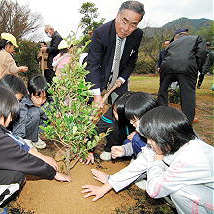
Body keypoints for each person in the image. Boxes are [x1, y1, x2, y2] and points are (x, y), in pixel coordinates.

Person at [0, 86, 70, 214]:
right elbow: (23, 159)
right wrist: (53, 172)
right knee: (16, 177)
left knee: (2, 168)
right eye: (11, 114)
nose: (11, 119)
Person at [82, 106, 213, 214]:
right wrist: (108, 185)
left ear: (166, 137)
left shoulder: (188, 158)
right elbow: (140, 164)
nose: (148, 143)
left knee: (181, 192)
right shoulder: (177, 142)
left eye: (150, 139)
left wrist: (157, 160)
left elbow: (154, 190)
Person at [85, 1, 144, 106]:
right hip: (98, 76)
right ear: (117, 16)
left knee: (120, 109)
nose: (126, 29)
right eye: (124, 21)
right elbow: (93, 64)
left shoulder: (137, 35)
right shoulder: (101, 33)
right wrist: (96, 95)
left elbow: (132, 61)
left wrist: (122, 79)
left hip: (119, 79)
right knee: (89, 109)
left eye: (133, 25)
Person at [157, 28, 207, 123]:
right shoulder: (197, 38)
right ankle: (187, 121)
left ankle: (161, 116)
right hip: (187, 67)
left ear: (176, 38)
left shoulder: (172, 44)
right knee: (188, 94)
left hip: (167, 67)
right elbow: (202, 52)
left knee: (162, 91)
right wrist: (197, 65)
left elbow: (165, 54)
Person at [11, 75, 50, 149]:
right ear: (29, 92)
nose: (41, 101)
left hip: (33, 129)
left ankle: (34, 138)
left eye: (44, 97)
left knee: (48, 109)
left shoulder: (48, 102)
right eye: (37, 97)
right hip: (21, 131)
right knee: (34, 112)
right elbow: (19, 124)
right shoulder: (22, 104)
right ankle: (28, 139)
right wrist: (21, 138)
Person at [97, 91, 135, 161]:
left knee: (138, 139)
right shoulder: (110, 113)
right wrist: (89, 150)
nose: (116, 117)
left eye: (120, 114)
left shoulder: (140, 113)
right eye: (115, 112)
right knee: (112, 127)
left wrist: (137, 132)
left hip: (132, 139)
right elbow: (97, 129)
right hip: (118, 138)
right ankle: (110, 148)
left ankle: (136, 154)